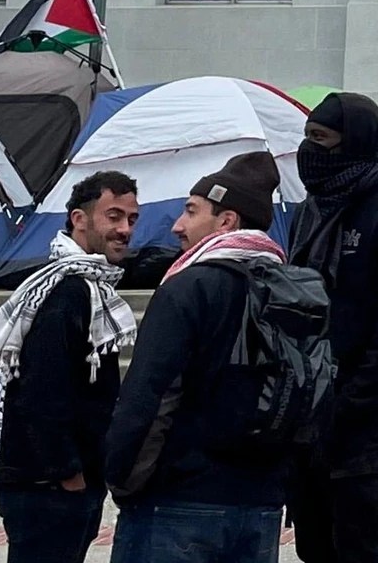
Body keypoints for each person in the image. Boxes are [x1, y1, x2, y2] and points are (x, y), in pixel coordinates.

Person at [104, 151, 291, 563]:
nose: (177, 226)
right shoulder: (291, 291)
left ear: (227, 221)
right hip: (261, 502)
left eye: (191, 211)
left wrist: (123, 480)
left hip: (179, 500)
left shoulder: (190, 287)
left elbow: (151, 395)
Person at [284, 93, 378, 563]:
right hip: (301, 406)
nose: (309, 151)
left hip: (353, 415)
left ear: (353, 142)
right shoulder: (310, 211)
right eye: (306, 138)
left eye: (320, 139)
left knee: (357, 542)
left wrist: (357, 404)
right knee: (313, 543)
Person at [0, 170, 140, 563]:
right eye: (114, 216)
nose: (125, 230)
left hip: (52, 479)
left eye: (132, 219)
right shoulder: (67, 292)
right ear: (79, 220)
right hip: (45, 483)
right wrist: (68, 473)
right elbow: (40, 391)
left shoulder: (84, 285)